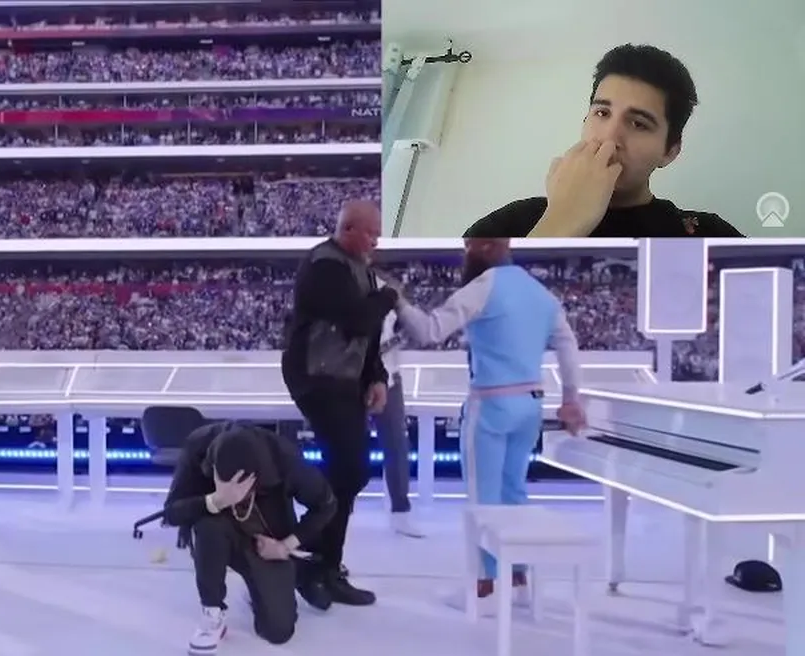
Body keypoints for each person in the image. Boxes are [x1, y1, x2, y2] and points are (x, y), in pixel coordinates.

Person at [391, 239, 587, 612]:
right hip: (530, 406)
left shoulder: (484, 286)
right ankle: (519, 581)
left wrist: (398, 301)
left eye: (468, 246)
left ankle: (483, 587)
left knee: (482, 499)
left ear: (483, 246)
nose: (465, 252)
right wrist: (571, 398)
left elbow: (430, 330)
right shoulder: (540, 293)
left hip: (492, 405)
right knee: (514, 493)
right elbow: (568, 345)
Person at [464, 44, 743, 239]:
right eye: (602, 113)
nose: (610, 136)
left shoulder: (707, 236)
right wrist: (559, 223)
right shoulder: (507, 226)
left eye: (638, 123)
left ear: (670, 151)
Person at [281, 198, 397, 607]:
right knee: (349, 468)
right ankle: (309, 556)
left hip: (343, 380)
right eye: (370, 233)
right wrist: (389, 296)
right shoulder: (325, 265)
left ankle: (318, 561)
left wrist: (377, 377)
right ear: (347, 229)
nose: (376, 241)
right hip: (317, 378)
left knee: (349, 471)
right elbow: (358, 319)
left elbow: (368, 339)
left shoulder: (359, 269)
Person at [163, 422, 337, 656]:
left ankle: (276, 579)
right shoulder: (198, 447)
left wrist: (285, 546)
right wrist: (216, 500)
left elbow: (326, 505)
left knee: (278, 631)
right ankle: (212, 613)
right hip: (221, 532)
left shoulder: (284, 457)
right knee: (207, 525)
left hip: (268, 542)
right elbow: (171, 514)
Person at [372, 303, 423, 538]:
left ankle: (401, 513)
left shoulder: (391, 301)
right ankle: (337, 511)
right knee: (347, 448)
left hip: (390, 378)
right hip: (353, 378)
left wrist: (400, 338)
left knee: (397, 446)